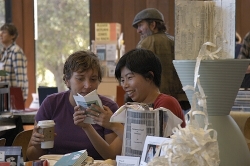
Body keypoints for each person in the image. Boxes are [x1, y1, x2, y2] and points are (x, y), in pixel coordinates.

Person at [26, 50, 122, 160]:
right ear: (67, 81)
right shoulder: (51, 103)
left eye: (93, 79)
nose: (87, 85)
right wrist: (38, 147)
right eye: (80, 78)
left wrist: (88, 127)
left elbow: (111, 158)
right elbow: (31, 156)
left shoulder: (108, 108)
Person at [82, 48, 185, 141]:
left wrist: (114, 125)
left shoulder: (166, 103)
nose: (125, 85)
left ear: (149, 76)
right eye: (122, 80)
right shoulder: (135, 108)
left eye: (130, 78)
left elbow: (151, 149)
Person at [131, 8, 190, 112]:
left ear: (153, 25)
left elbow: (137, 74)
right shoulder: (176, 42)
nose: (138, 30)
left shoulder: (145, 43)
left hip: (157, 102)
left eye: (140, 25)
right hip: (182, 101)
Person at [0, 23, 28, 100]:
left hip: (13, 97)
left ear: (13, 36)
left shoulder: (16, 51)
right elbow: (6, 73)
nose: (1, 34)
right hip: (4, 97)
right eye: (0, 32)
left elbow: (20, 76)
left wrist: (20, 97)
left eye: (4, 32)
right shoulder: (3, 52)